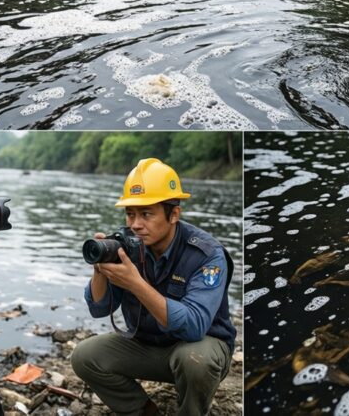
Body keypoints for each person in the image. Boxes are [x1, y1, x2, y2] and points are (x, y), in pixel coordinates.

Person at [72, 158, 236, 416]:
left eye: (146, 214)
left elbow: (194, 327)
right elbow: (100, 309)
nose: (136, 224)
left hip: (196, 349)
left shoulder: (207, 254)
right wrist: (100, 269)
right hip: (147, 346)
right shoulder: (127, 246)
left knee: (195, 360)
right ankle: (145, 412)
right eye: (130, 214)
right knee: (84, 356)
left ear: (174, 214)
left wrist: (136, 284)